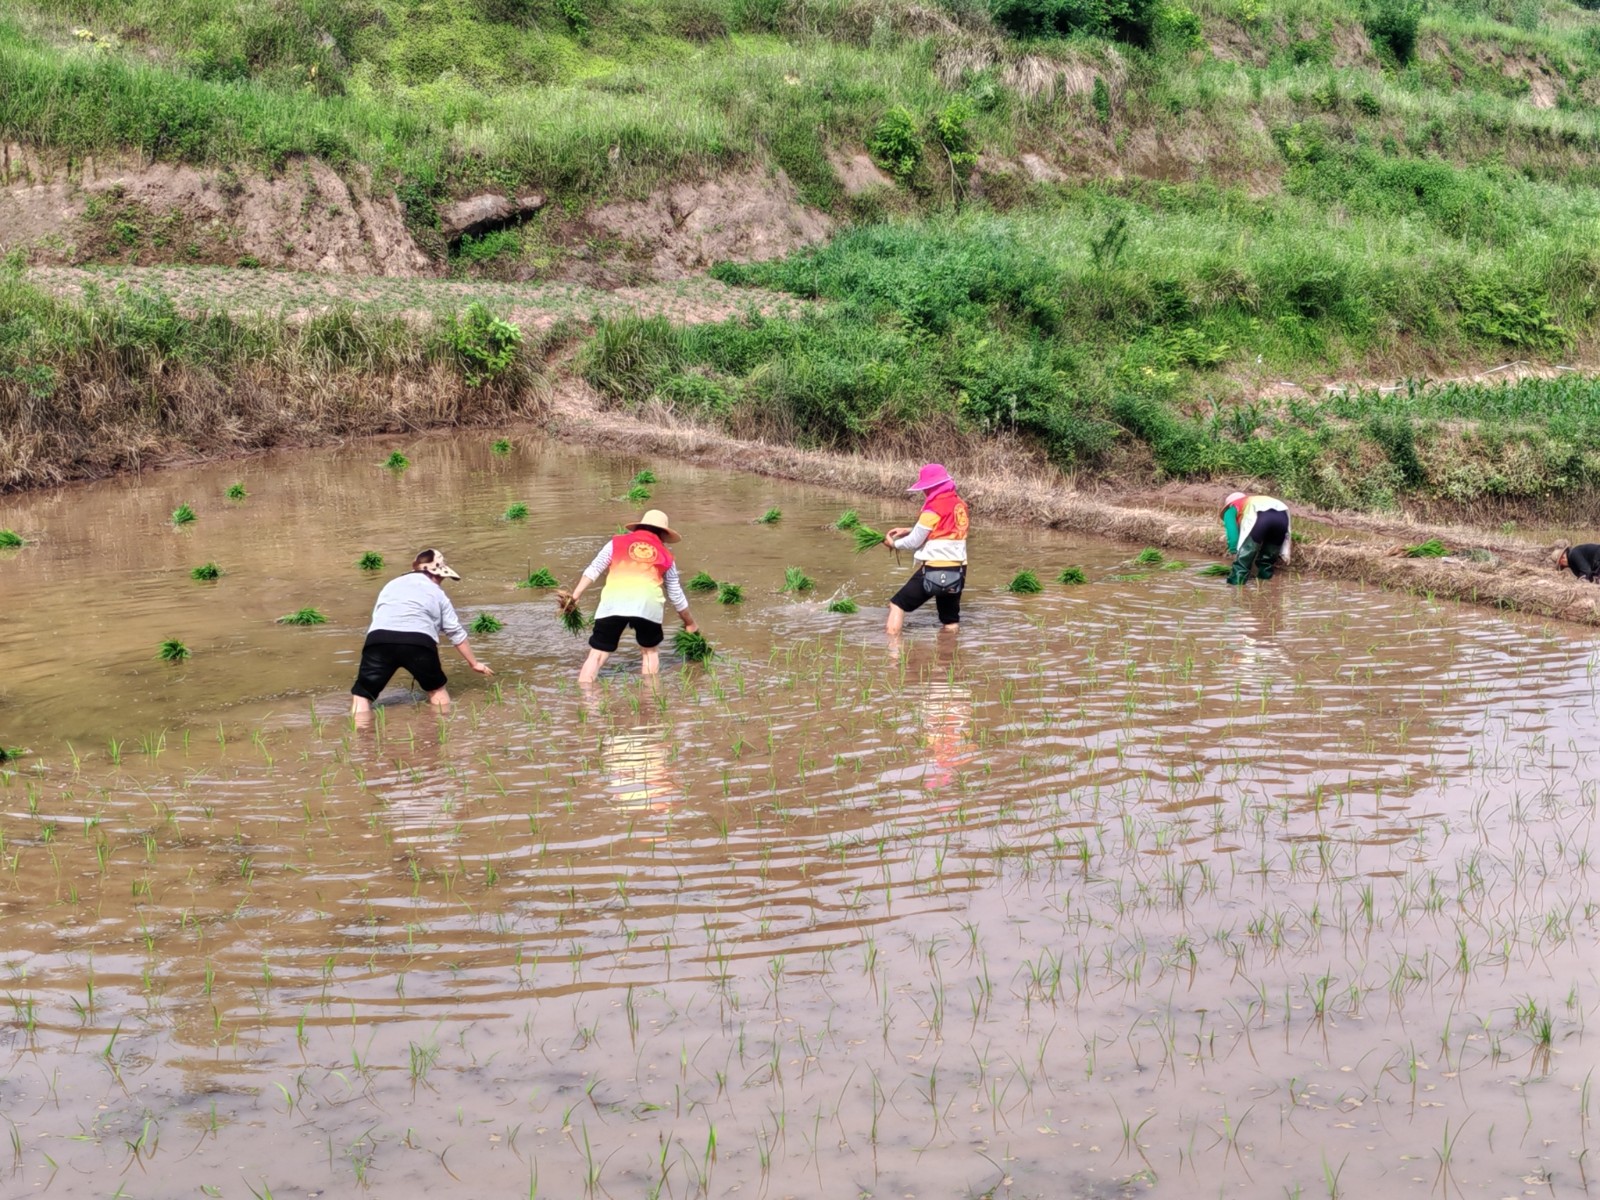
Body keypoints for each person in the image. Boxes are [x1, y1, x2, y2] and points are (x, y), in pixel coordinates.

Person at [562, 509, 699, 683]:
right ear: (664, 534)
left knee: (597, 654)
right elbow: (675, 593)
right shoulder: (666, 556)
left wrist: (575, 596)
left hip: (613, 603)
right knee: (649, 651)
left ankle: (587, 700)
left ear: (639, 528)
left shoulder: (615, 543)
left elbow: (594, 568)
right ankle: (650, 700)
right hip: (647, 605)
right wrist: (690, 623)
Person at [350, 549, 492, 716]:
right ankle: (439, 731)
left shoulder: (391, 584)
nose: (440, 581)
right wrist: (474, 663)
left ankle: (361, 738)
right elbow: (454, 631)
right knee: (436, 690)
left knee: (362, 696)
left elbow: (379, 615)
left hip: (379, 639)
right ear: (436, 574)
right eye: (441, 577)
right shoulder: (437, 593)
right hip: (418, 642)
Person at [883, 463, 970, 636]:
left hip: (934, 568)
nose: (924, 492)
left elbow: (914, 542)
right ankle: (948, 657)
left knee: (897, 605)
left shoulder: (933, 508)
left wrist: (893, 544)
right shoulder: (960, 505)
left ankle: (892, 654)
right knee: (950, 619)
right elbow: (946, 529)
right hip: (958, 569)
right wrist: (909, 529)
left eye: (926, 488)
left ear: (933, 488)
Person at [1220, 491, 1291, 585]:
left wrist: (1234, 550)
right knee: (1267, 560)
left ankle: (1235, 586)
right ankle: (1264, 583)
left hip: (1261, 521)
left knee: (1243, 562)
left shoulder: (1231, 508)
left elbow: (1232, 531)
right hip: (1282, 518)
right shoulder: (1256, 500)